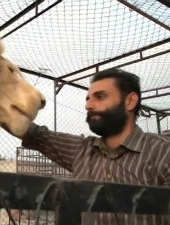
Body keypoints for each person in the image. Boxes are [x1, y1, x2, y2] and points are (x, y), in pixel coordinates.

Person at [14, 68, 170, 225]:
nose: (88, 105)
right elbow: (35, 134)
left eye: (100, 97)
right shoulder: (82, 149)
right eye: (88, 99)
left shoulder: (161, 153)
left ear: (130, 101)